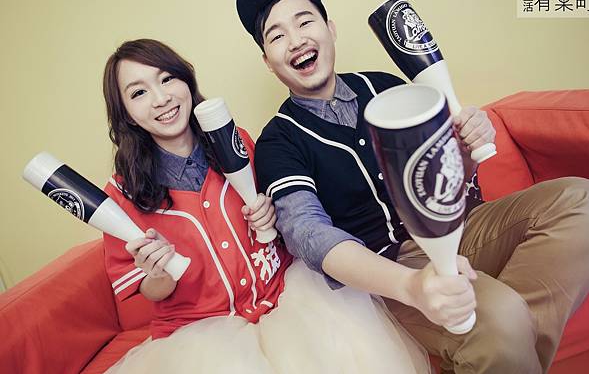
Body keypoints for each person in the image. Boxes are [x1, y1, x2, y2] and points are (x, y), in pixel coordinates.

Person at [236, 0, 589, 374]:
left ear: (330, 29)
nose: (296, 40)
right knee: (499, 317)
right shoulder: (278, 142)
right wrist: (412, 286)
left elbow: (447, 177)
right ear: (268, 62)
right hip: (393, 265)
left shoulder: (386, 86)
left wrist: (465, 145)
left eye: (305, 22)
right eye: (277, 36)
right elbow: (309, 234)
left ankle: (498, 344)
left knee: (582, 201)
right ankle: (497, 334)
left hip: (464, 228)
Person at [101, 38, 431, 373]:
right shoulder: (120, 195)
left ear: (186, 80)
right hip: (200, 332)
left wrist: (269, 218)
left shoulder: (238, 142)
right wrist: (158, 272)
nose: (161, 98)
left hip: (290, 297)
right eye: (138, 92)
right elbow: (153, 291)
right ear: (126, 113)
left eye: (167, 79)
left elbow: (291, 224)